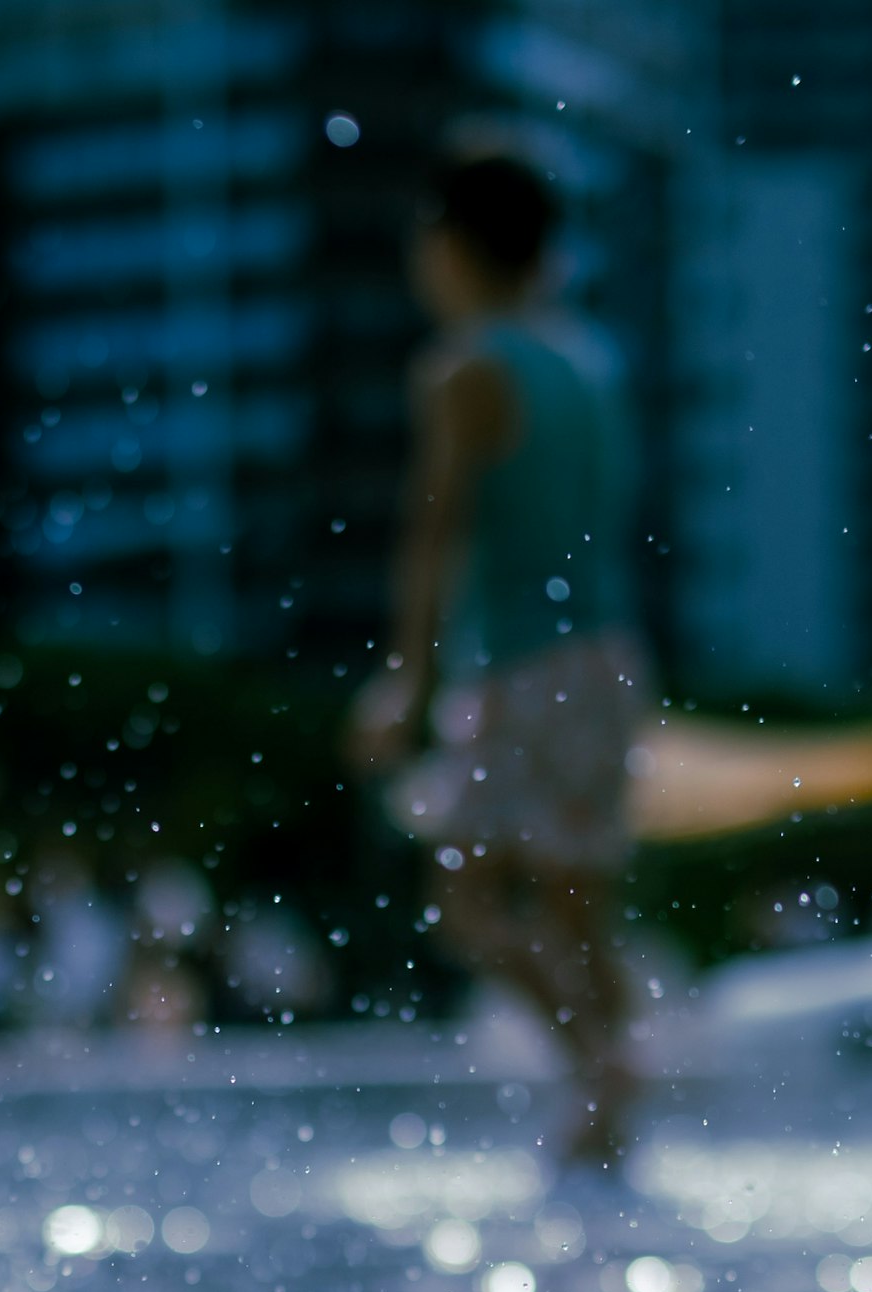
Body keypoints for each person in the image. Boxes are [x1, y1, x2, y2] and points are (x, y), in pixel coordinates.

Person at [348, 150, 647, 1166]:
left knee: (466, 901)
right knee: (579, 908)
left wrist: (409, 682)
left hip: (523, 665)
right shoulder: (587, 361)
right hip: (609, 659)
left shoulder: (465, 369)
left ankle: (599, 1066)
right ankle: (608, 1113)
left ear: (449, 247)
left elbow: (437, 532)